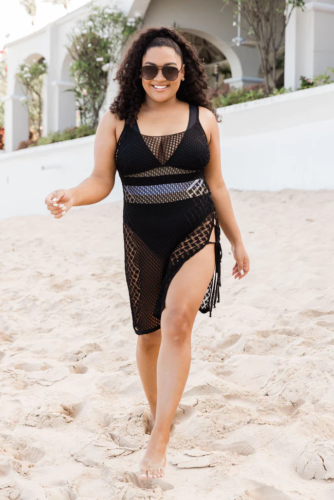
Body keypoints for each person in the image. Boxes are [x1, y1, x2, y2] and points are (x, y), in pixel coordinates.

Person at [45, 26, 250, 483]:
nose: (160, 77)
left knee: (178, 321)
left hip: (197, 230)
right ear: (137, 72)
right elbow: (100, 180)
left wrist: (236, 240)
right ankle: (162, 414)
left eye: (169, 70)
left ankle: (158, 439)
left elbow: (216, 184)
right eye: (150, 69)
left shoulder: (204, 118)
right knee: (150, 335)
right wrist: (71, 196)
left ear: (184, 73)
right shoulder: (118, 120)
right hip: (141, 237)